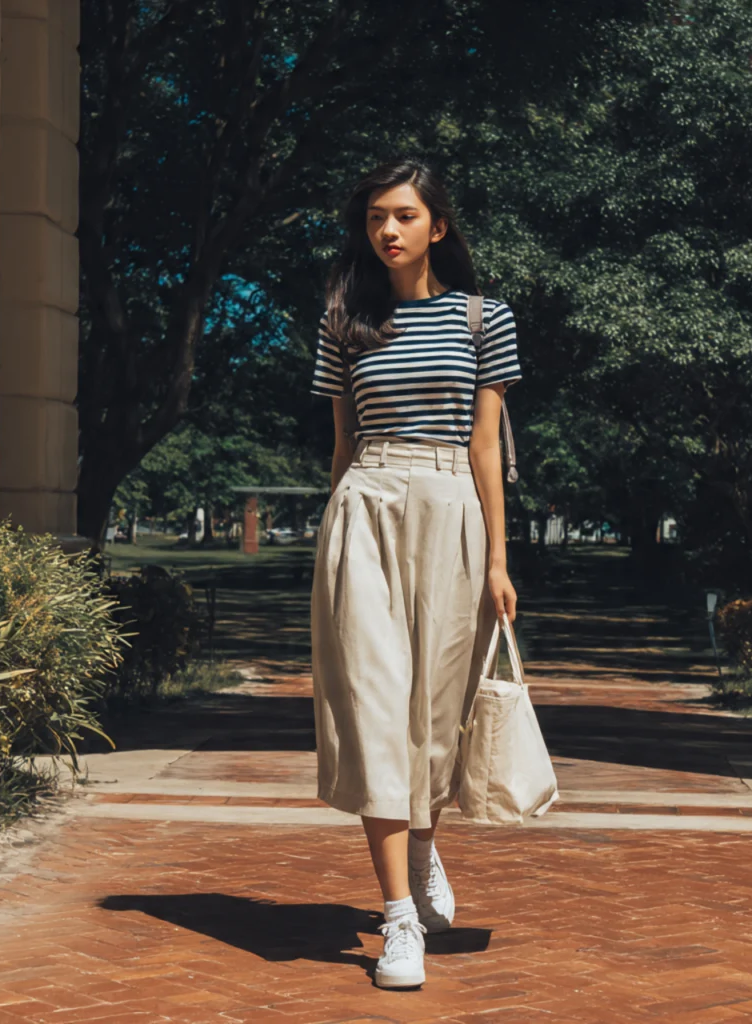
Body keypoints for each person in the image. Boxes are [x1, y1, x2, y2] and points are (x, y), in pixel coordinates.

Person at [309, 158, 521, 989]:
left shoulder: (484, 318)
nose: (386, 230)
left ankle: (425, 844)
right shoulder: (344, 320)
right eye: (373, 219)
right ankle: (400, 919)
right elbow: (340, 444)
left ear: (438, 226)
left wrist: (500, 560)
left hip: (451, 506)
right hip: (365, 504)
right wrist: (332, 541)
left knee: (436, 711)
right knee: (371, 707)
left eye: (402, 216)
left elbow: (486, 448)